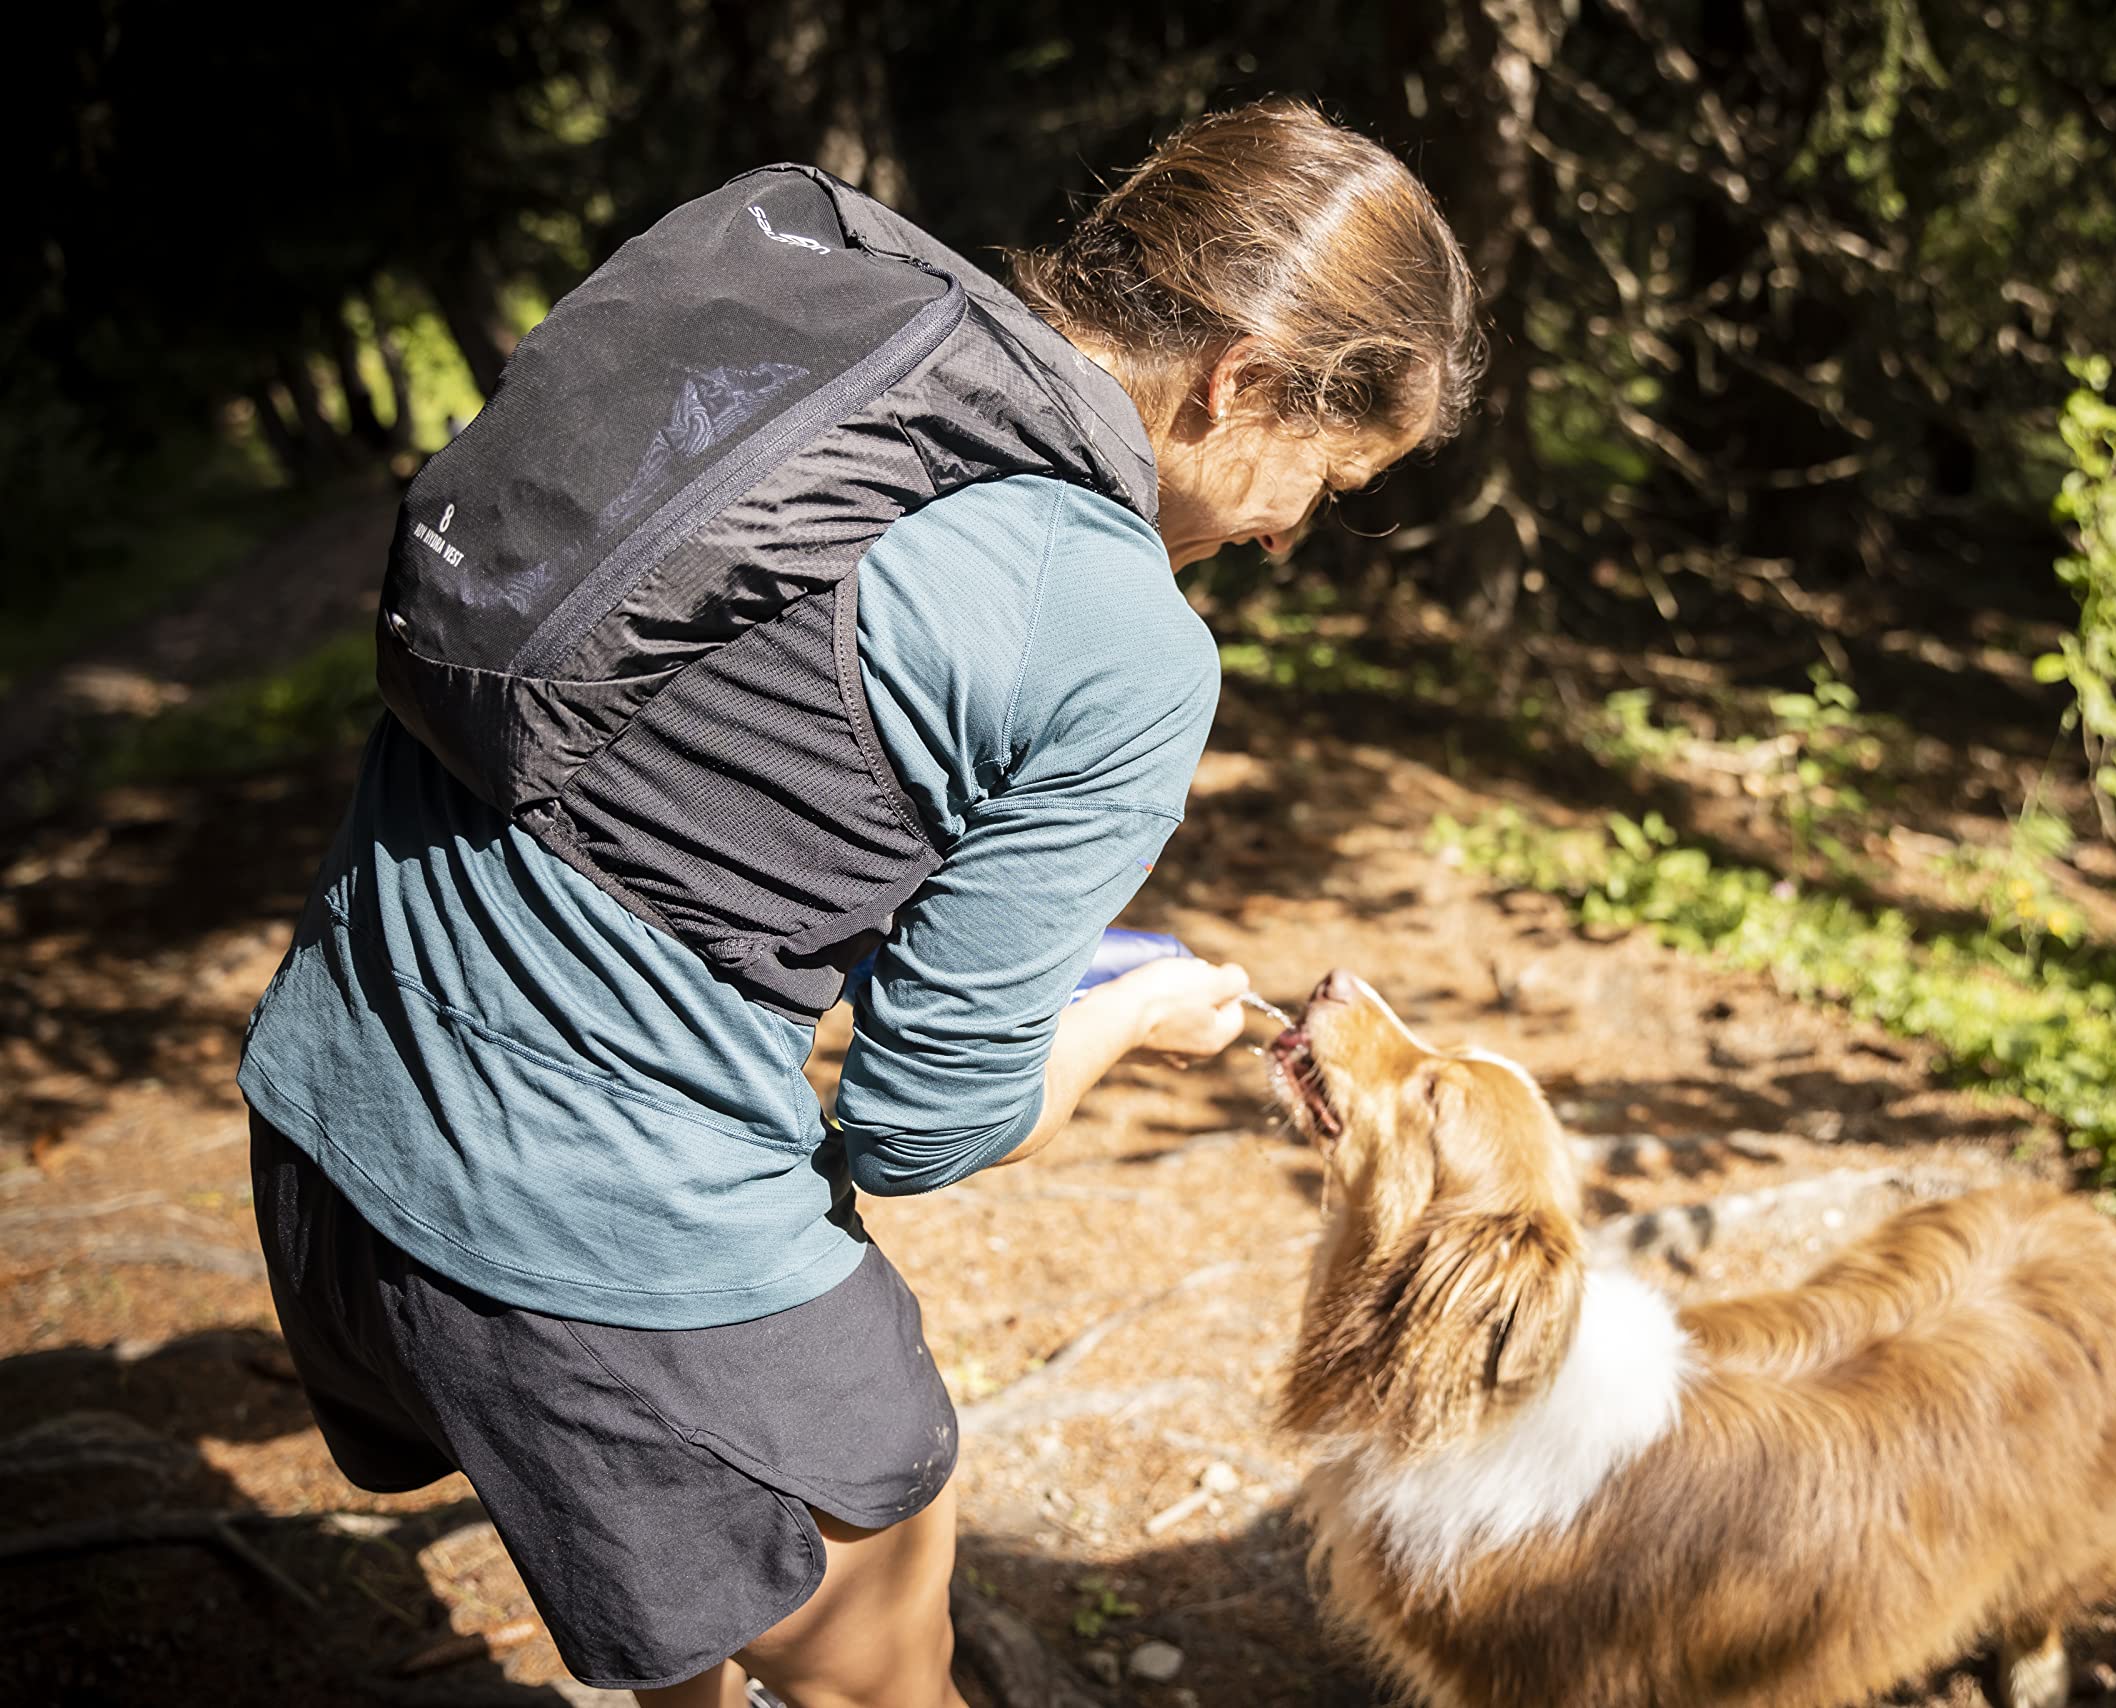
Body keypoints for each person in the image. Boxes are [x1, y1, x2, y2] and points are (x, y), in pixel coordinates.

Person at [238, 99, 1480, 1708]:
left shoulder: (812, 342)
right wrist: (1132, 1021)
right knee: (882, 1663)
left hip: (331, 1130)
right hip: (608, 1253)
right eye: (1322, 472)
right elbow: (922, 1130)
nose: (1290, 528)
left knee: (695, 1621)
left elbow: (701, 798)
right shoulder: (1122, 639)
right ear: (1237, 380)